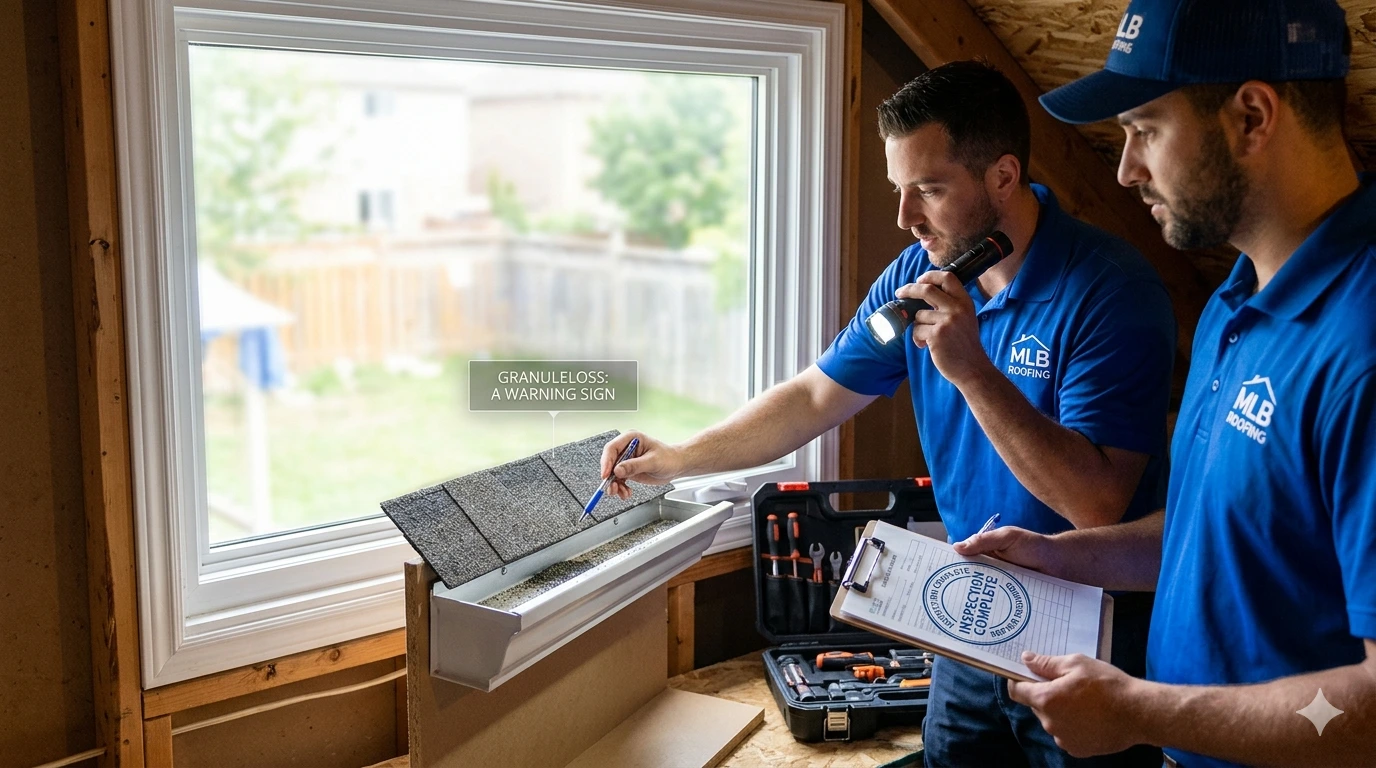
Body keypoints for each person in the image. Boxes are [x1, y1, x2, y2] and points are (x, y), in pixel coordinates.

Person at [601, 60, 1175, 767]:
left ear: (1003, 176)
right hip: (966, 612)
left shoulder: (1111, 292)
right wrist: (680, 458)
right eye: (898, 190)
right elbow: (814, 396)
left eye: (928, 189)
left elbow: (1096, 503)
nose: (905, 218)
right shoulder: (915, 275)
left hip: (1086, 631)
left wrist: (971, 371)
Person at [954, 1, 1376, 766]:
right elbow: (1218, 535)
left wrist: (1140, 711)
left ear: (1251, 117)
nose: (1125, 170)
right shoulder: (1235, 299)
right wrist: (1064, 557)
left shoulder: (1360, 348)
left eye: (1145, 129)